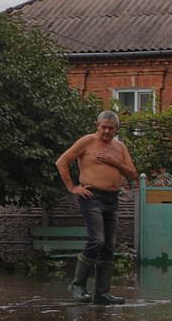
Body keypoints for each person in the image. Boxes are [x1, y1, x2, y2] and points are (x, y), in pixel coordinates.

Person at [55, 110, 138, 304]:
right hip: (92, 196)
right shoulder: (87, 141)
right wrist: (72, 188)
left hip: (112, 198)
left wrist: (114, 162)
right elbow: (61, 161)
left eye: (111, 128)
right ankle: (77, 285)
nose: (107, 132)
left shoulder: (120, 147)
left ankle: (102, 294)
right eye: (104, 127)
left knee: (108, 245)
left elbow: (133, 174)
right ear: (97, 125)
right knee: (97, 240)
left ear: (116, 129)